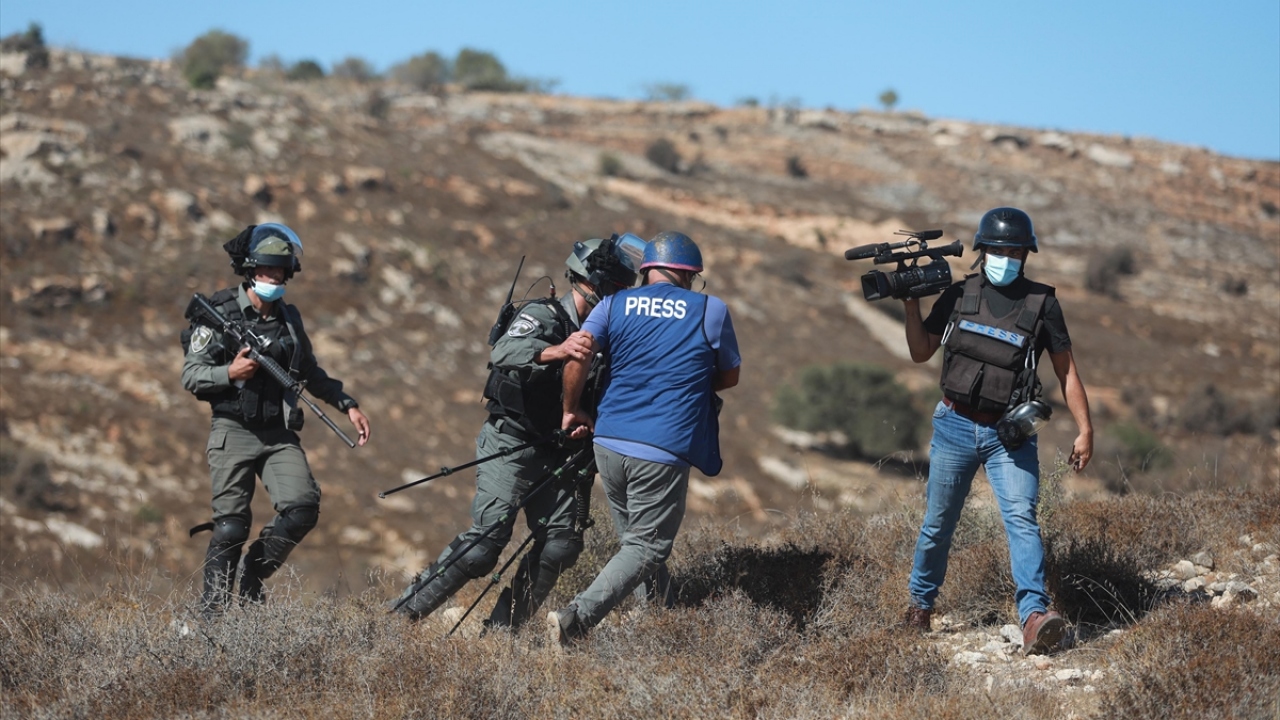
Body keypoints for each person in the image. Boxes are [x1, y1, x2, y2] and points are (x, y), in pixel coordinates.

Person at [393, 235, 643, 629]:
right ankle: (403, 616)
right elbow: (504, 353)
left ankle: (502, 633)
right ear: (591, 283)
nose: (620, 298)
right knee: (484, 546)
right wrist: (558, 351)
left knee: (562, 545)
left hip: (562, 454)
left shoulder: (612, 336)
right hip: (511, 444)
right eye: (615, 289)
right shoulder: (544, 316)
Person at [901, 207, 1093, 655]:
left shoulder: (1043, 305)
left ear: (1026, 254)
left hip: (1011, 436)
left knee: (1022, 520)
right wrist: (911, 302)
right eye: (998, 250)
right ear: (982, 251)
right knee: (937, 525)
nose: (1006, 257)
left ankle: (1033, 617)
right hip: (953, 426)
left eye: (1014, 251)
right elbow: (919, 351)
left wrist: (1085, 429)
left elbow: (1067, 373)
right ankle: (919, 609)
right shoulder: (959, 294)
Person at [550, 230, 742, 646]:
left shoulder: (614, 303)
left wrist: (571, 407)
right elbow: (729, 375)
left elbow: (578, 353)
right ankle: (573, 621)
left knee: (634, 543)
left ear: (649, 270)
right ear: (687, 275)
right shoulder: (711, 310)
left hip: (609, 443)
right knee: (648, 547)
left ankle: (660, 623)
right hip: (662, 447)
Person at [182, 223, 371, 615]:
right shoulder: (218, 313)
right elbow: (191, 375)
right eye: (266, 270)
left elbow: (311, 372)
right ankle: (212, 615)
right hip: (233, 429)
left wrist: (346, 403)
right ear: (250, 271)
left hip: (278, 432)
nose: (274, 277)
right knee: (231, 526)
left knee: (302, 507)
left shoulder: (288, 319)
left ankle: (253, 575)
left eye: (280, 271)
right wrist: (229, 374)